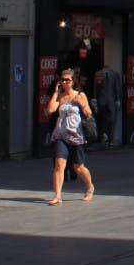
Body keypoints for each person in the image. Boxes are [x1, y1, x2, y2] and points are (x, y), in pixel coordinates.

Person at [46, 67, 95, 204]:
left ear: (73, 81)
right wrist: (55, 93)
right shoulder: (61, 97)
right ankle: (57, 196)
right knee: (59, 165)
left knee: (78, 167)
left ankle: (90, 187)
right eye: (62, 80)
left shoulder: (79, 95)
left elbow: (88, 113)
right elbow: (50, 110)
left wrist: (82, 105)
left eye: (67, 80)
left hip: (75, 135)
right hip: (60, 135)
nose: (64, 82)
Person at [95, 65, 122, 145]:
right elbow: (96, 87)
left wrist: (117, 99)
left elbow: (117, 87)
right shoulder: (98, 74)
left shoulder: (114, 74)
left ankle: (111, 139)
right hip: (102, 99)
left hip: (111, 100)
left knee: (112, 119)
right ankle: (103, 136)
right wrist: (95, 98)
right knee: (102, 119)